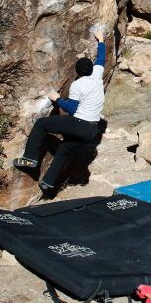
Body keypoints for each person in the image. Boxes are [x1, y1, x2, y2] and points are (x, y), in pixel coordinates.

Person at [12, 28, 107, 194]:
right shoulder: (98, 75)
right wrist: (100, 40)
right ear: (92, 69)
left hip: (79, 123)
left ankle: (30, 159)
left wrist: (57, 99)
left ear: (77, 73)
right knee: (64, 150)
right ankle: (48, 184)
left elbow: (72, 108)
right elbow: (101, 58)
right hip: (92, 130)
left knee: (42, 124)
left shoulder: (77, 85)